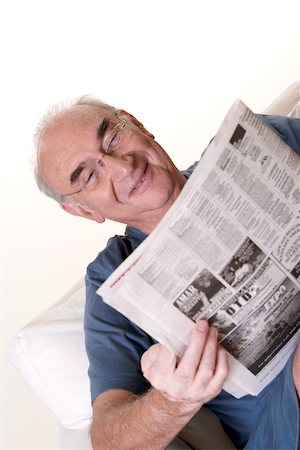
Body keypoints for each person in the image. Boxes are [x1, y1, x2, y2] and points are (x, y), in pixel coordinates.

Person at [34, 96, 300, 450]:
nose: (122, 167)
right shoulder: (110, 281)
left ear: (136, 124)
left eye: (113, 139)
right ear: (83, 211)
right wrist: (172, 402)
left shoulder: (262, 140)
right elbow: (109, 440)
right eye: (90, 175)